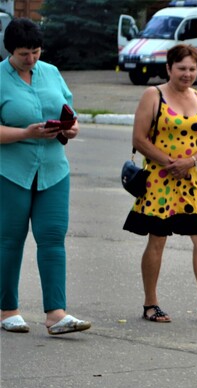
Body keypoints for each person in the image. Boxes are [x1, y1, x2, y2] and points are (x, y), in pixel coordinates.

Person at [122, 44, 197, 324]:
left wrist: (190, 163)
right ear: (169, 68)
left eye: (192, 68)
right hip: (159, 179)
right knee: (157, 239)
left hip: (190, 179)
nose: (187, 74)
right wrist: (170, 162)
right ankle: (150, 304)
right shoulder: (153, 95)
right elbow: (139, 139)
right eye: (181, 68)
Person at [0, 18, 91, 336]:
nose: (31, 59)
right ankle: (7, 310)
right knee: (9, 241)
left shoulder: (51, 72)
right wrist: (27, 132)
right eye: (24, 53)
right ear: (10, 50)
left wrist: (71, 128)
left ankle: (56, 314)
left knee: (53, 238)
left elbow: (71, 113)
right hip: (10, 171)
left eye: (36, 52)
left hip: (53, 170)